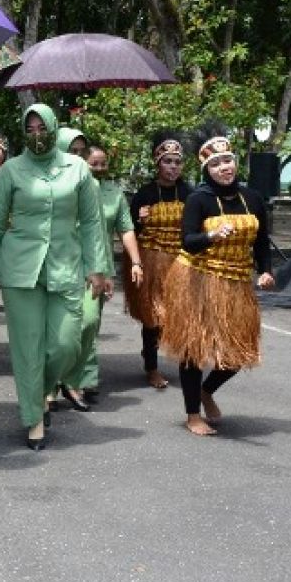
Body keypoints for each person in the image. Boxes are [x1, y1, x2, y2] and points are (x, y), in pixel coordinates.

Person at [0, 104, 108, 450]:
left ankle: (44, 389)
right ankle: (34, 416)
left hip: (66, 265)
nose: (36, 135)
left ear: (53, 128)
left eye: (42, 128)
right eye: (30, 129)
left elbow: (93, 222)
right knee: (27, 348)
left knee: (67, 344)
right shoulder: (11, 171)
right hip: (20, 269)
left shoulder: (77, 169)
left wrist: (98, 267)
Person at [158, 131, 275, 437]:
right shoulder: (199, 199)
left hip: (236, 281)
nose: (225, 167)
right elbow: (188, 241)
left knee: (238, 353)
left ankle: (206, 390)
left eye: (228, 161)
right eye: (216, 164)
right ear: (206, 170)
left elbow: (262, 241)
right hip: (198, 278)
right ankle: (193, 414)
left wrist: (266, 270)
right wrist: (210, 235)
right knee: (194, 350)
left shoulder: (252, 198)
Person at [64, 144, 143, 403]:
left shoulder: (113, 192)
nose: (99, 168)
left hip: (98, 267)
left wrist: (135, 262)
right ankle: (54, 381)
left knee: (89, 324)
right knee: (63, 326)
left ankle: (85, 379)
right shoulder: (68, 187)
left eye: (103, 163)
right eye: (93, 163)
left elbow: (126, 228)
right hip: (64, 265)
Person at [123, 132, 192, 389]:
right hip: (151, 262)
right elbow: (129, 231)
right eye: (167, 161)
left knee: (179, 316)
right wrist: (138, 220)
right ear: (157, 163)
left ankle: (187, 367)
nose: (173, 167)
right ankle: (151, 367)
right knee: (153, 318)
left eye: (177, 162)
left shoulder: (189, 193)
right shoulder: (144, 194)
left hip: (181, 263)